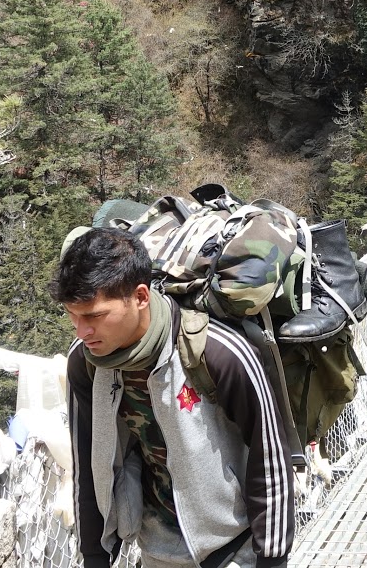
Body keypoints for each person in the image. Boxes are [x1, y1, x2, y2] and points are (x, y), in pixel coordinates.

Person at [54, 227, 295, 568]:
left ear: (140, 297)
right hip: (156, 550)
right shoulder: (86, 362)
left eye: (94, 316)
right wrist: (94, 555)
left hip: (236, 549)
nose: (82, 331)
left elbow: (268, 454)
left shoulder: (215, 353)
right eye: (72, 316)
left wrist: (271, 557)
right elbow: (88, 460)